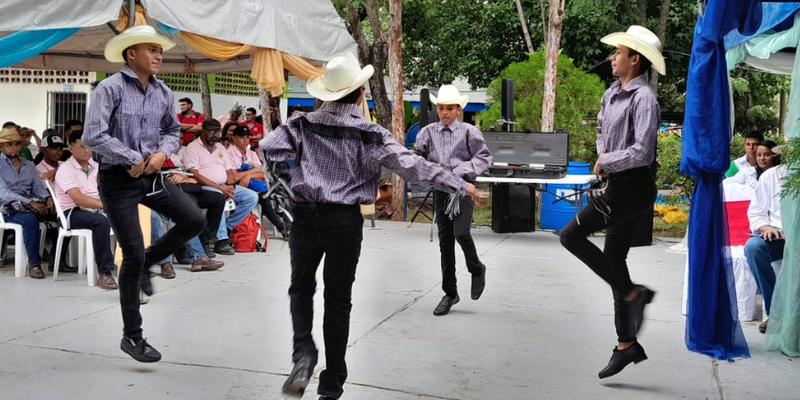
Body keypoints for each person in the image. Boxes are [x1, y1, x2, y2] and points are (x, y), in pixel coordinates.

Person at [261, 53, 480, 400]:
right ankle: (331, 384)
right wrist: (458, 183)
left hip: (304, 216)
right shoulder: (369, 133)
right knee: (338, 301)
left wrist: (291, 186)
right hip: (343, 222)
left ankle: (303, 355)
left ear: (325, 94)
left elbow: (268, 148)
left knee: (300, 288)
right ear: (360, 92)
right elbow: (413, 166)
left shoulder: (301, 125)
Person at [83, 25, 207, 363]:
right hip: (117, 179)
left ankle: (152, 261)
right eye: (150, 49)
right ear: (130, 54)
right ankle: (132, 337)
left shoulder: (164, 92)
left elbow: (172, 131)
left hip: (152, 175)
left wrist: (161, 154)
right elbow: (93, 135)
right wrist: (131, 157)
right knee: (132, 252)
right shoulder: (108, 89)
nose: (158, 55)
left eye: (159, 50)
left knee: (193, 218)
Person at [559, 25, 663, 379]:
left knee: (570, 236)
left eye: (619, 52)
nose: (613, 57)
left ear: (635, 59)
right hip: (617, 182)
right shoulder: (610, 95)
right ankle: (626, 345)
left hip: (633, 186)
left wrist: (608, 162)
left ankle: (633, 293)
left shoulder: (643, 97)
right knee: (614, 259)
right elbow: (605, 135)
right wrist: (604, 160)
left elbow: (643, 150)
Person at [414, 84, 493, 316]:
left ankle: (477, 269)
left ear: (459, 109)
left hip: (463, 191)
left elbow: (485, 157)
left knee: (462, 233)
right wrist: (429, 171)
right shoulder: (428, 132)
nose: (445, 112)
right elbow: (417, 157)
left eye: (450, 108)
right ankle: (450, 293)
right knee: (445, 243)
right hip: (441, 191)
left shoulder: (469, 132)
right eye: (441, 108)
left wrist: (460, 170)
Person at [182, 119, 259, 255]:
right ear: (203, 131)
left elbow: (229, 171)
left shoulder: (221, 147)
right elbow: (195, 175)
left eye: (217, 131)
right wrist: (221, 188)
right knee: (219, 197)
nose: (215, 135)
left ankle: (227, 228)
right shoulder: (193, 147)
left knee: (252, 197)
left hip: (225, 185)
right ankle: (221, 240)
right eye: (212, 131)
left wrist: (230, 186)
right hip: (204, 186)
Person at [53, 131, 119, 289]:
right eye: (82, 147)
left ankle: (136, 265)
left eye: (89, 147)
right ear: (71, 148)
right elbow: (78, 199)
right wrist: (106, 205)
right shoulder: (65, 170)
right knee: (101, 222)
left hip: (96, 205)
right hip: (71, 212)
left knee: (129, 216)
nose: (87, 150)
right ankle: (105, 273)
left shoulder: (95, 165)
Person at [0, 127, 57, 279]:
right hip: (7, 208)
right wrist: (30, 202)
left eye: (17, 144)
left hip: (32, 204)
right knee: (30, 220)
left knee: (60, 215)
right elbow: (4, 193)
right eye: (9, 144)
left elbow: (38, 188)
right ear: (1, 147)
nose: (14, 147)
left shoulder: (29, 165)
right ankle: (34, 264)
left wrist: (48, 198)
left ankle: (57, 259)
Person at [746, 155, 788, 334]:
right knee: (754, 247)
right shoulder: (772, 176)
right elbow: (756, 213)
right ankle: (776, 313)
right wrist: (766, 227)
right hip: (779, 237)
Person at [228, 125, 288, 238]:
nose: (245, 140)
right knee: (263, 197)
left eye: (247, 137)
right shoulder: (229, 153)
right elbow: (235, 177)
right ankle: (282, 228)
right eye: (242, 137)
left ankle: (282, 228)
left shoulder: (251, 153)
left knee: (268, 195)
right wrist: (253, 172)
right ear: (234, 138)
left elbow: (263, 172)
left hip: (253, 185)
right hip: (237, 186)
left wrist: (249, 176)